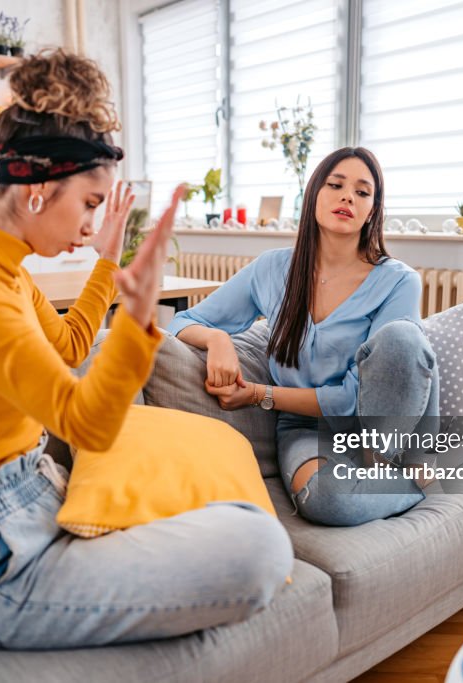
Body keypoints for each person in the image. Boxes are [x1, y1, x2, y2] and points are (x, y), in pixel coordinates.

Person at [0, 49, 292, 650]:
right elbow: (86, 421)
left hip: (34, 501)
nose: (90, 224)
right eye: (88, 203)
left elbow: (70, 345)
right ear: (37, 188)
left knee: (237, 515)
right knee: (260, 547)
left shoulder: (3, 274)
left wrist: (107, 262)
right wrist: (139, 314)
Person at [169, 147, 441, 527]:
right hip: (304, 427)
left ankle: (398, 465)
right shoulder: (272, 268)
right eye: (336, 185)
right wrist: (219, 340)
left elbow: (352, 398)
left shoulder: (397, 280)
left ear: (373, 211)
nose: (348, 196)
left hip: (374, 423)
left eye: (363, 192)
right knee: (325, 499)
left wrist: (257, 395)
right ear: (314, 193)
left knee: (403, 338)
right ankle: (405, 485)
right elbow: (182, 321)